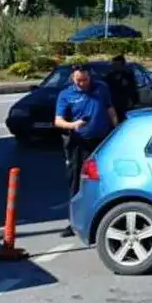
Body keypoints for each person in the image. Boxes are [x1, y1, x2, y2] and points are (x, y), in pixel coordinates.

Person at [55, 66, 119, 237]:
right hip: (79, 144)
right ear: (73, 79)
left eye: (85, 80)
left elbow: (109, 109)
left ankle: (104, 217)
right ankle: (73, 222)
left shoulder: (101, 88)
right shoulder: (66, 95)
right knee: (76, 181)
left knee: (104, 178)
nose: (83, 83)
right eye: (79, 81)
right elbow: (58, 121)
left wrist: (116, 129)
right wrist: (73, 125)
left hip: (101, 141)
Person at [105, 55, 139, 121]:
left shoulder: (128, 74)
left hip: (125, 104)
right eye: (113, 64)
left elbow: (133, 88)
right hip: (113, 104)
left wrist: (134, 101)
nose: (114, 66)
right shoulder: (109, 76)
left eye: (116, 64)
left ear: (122, 65)